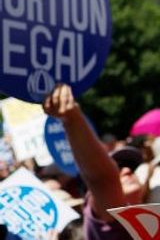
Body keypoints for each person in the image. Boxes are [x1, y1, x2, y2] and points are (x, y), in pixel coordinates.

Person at [42, 84, 141, 240]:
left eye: (130, 166)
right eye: (117, 169)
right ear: (91, 197)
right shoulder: (110, 231)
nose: (127, 171)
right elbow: (103, 179)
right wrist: (71, 118)